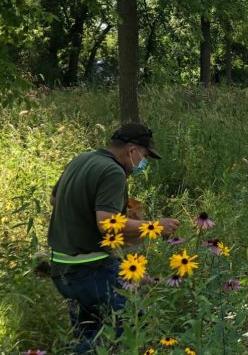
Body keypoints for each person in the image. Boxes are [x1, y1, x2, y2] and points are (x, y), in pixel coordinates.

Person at [48, 123, 180, 353]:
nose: (143, 163)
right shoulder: (113, 171)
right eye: (145, 156)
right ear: (132, 150)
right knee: (132, 320)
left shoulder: (82, 159)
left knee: (90, 332)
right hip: (90, 267)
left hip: (61, 267)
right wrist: (155, 226)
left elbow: (54, 200)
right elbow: (106, 223)